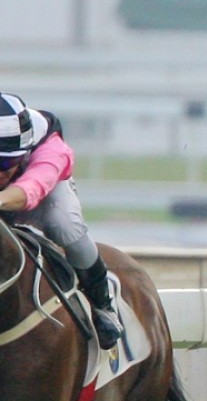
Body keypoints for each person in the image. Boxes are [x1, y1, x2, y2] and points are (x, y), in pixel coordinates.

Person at [0, 92, 123, 349]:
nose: (0, 171)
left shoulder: (51, 148)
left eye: (7, 161)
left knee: (64, 224)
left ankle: (103, 304)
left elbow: (31, 189)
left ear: (25, 151)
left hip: (42, 191)